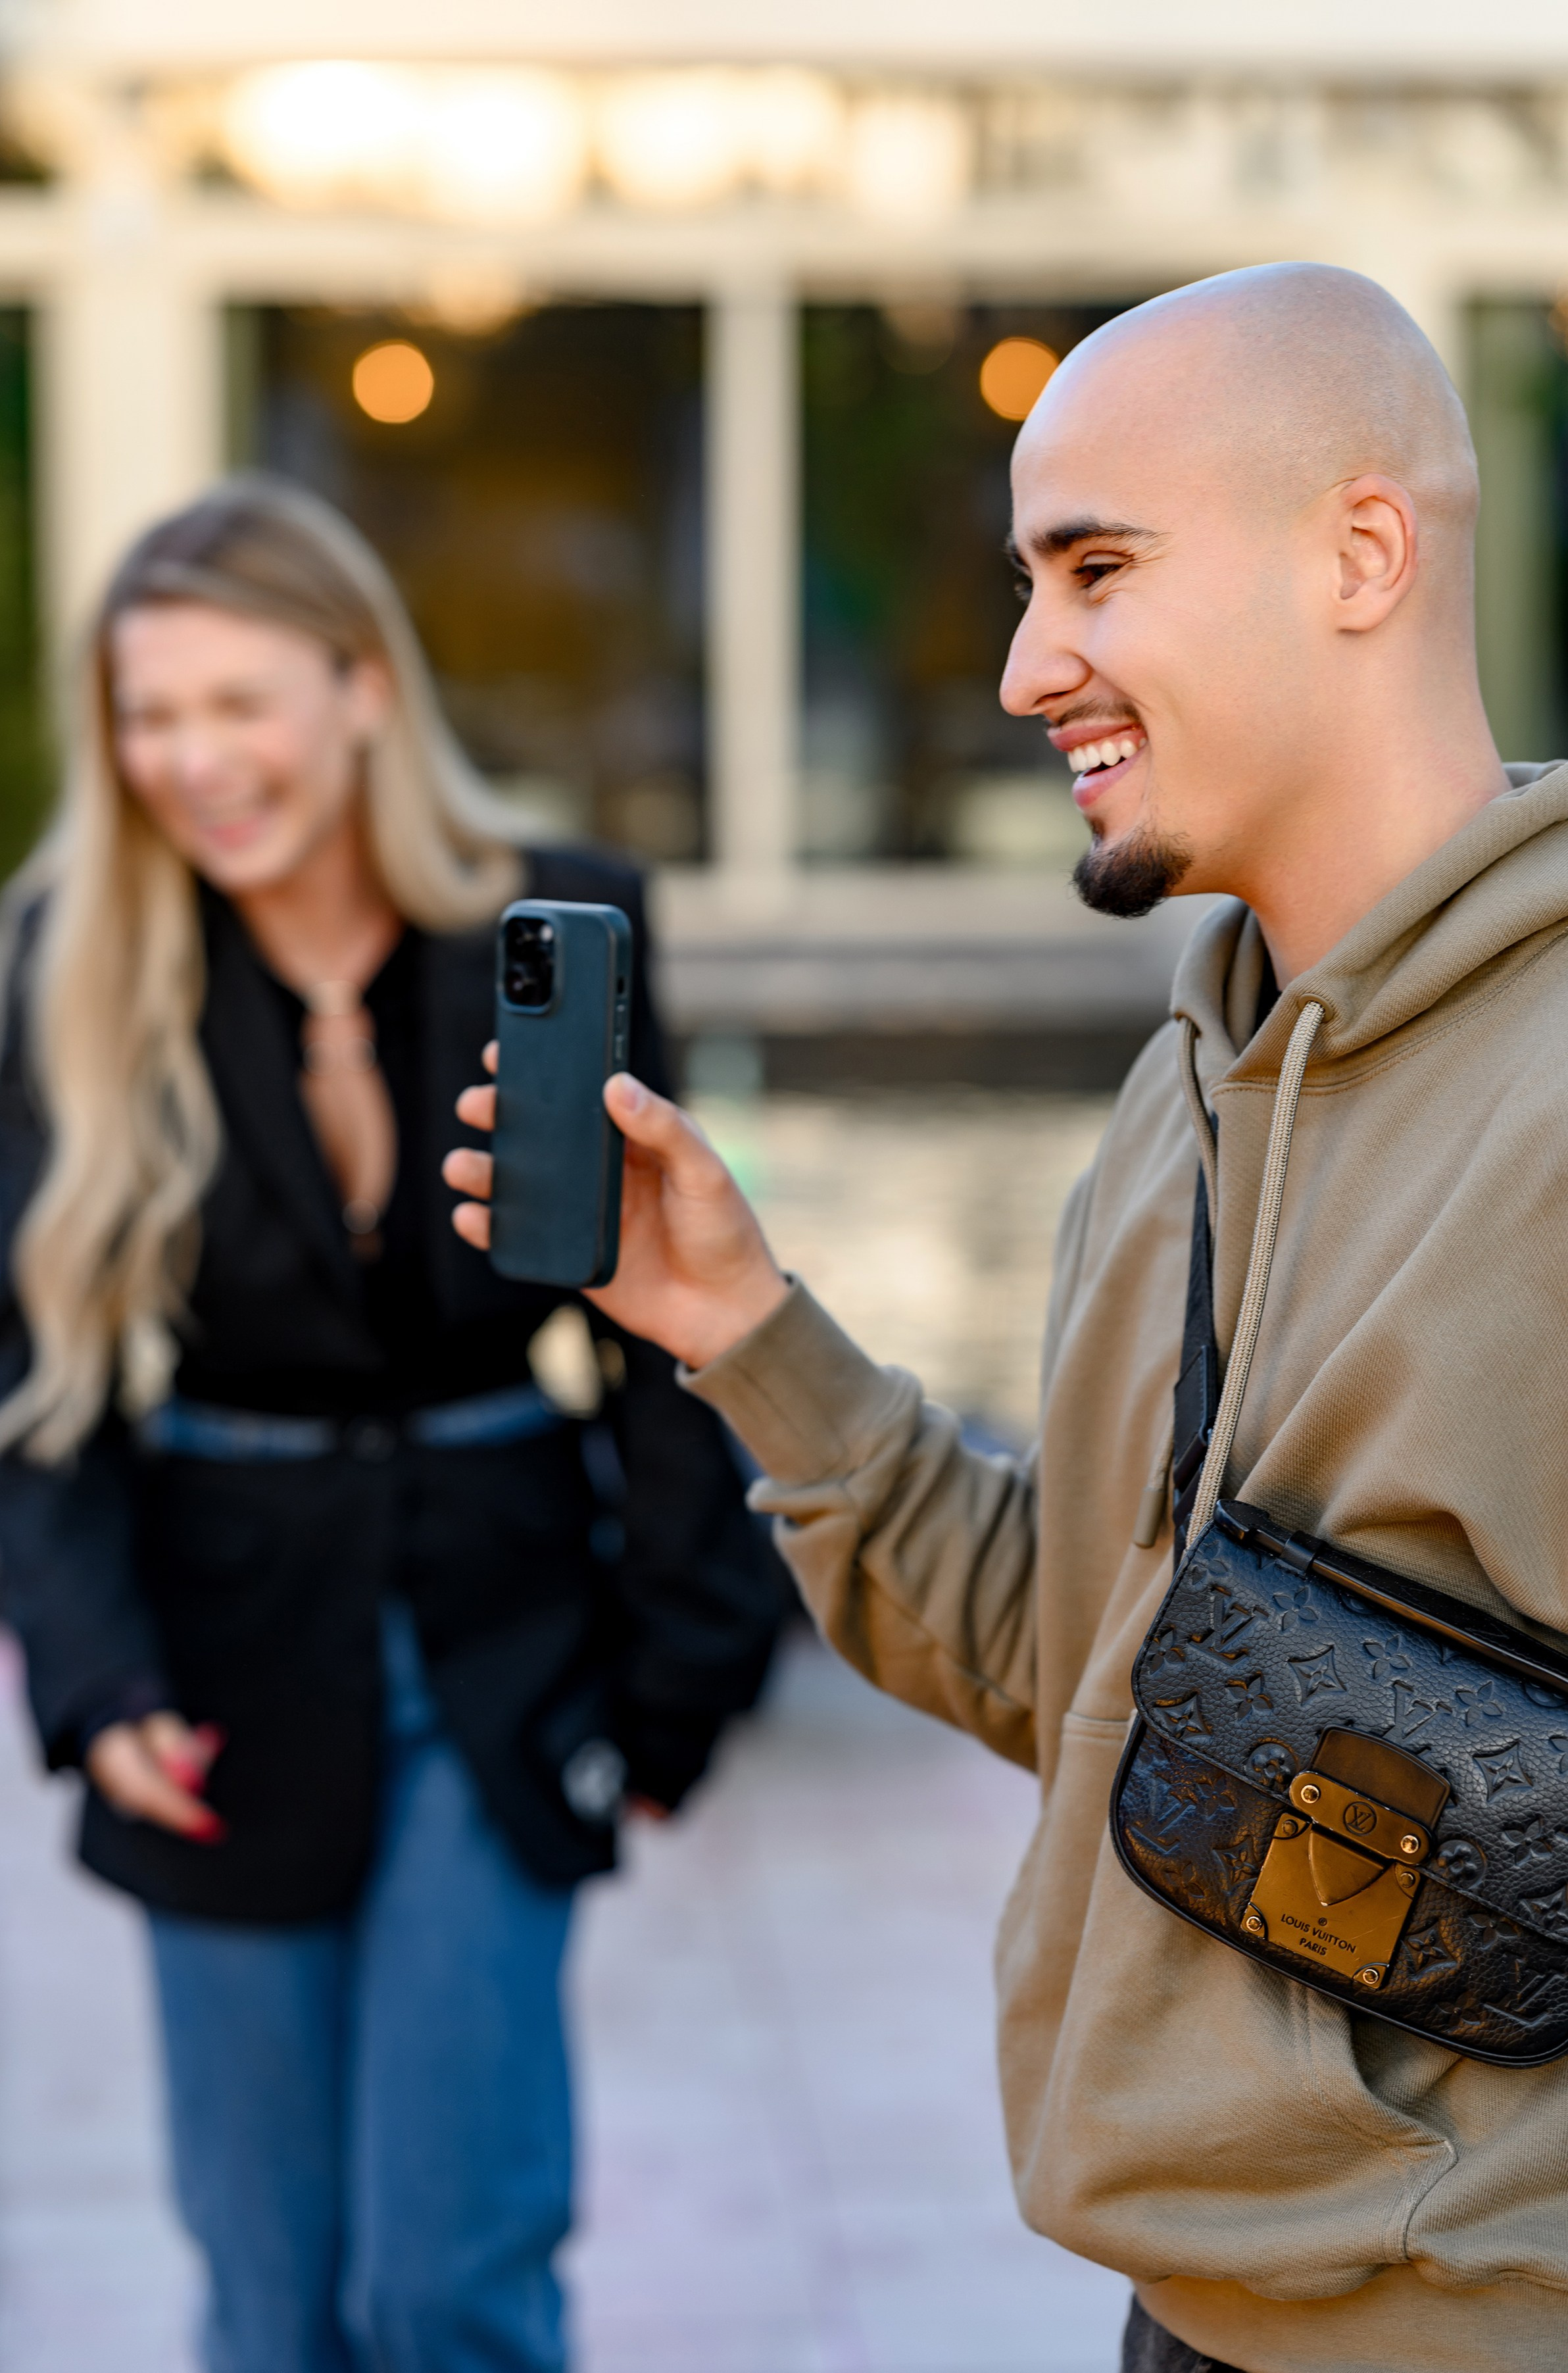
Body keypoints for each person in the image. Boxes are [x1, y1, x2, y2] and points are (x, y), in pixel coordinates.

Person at [451, 262, 1568, 2373]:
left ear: (1363, 554)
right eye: (1029, 578)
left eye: (1100, 569)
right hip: (1187, 2314)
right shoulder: (1184, 1094)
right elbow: (1093, 1680)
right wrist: (741, 1326)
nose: (1026, 664)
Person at [0, 476, 781, 2373]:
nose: (194, 760)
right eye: (151, 714)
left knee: (453, 2289)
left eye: (238, 702)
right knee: (272, 2308)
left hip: (509, 1633)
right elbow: (32, 1376)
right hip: (216, 1652)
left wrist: (690, 1668)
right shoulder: (69, 962)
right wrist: (94, 1690)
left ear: (359, 690)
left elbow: (669, 1314)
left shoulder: (561, 921)